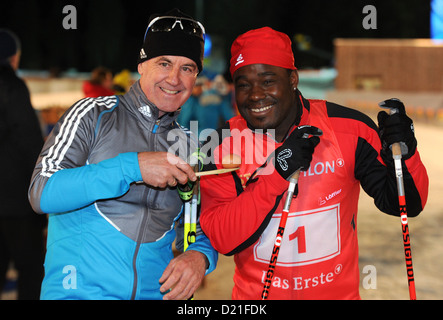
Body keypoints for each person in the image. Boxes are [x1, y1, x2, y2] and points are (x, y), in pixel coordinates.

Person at [199, 27, 428, 300]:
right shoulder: (220, 145)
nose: (255, 95)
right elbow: (224, 238)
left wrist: (404, 153)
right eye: (243, 84)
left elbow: (405, 204)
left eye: (268, 80)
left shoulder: (348, 128)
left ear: (292, 78)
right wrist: (276, 173)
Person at [28, 9, 217, 300]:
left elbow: (197, 225)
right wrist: (132, 167)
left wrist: (201, 256)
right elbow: (42, 193)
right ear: (142, 65)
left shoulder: (191, 145)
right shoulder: (92, 115)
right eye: (164, 63)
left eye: (188, 68)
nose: (175, 79)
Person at [0, 29, 46, 299]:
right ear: (13, 58)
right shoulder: (14, 87)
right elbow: (30, 144)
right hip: (17, 202)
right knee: (30, 271)